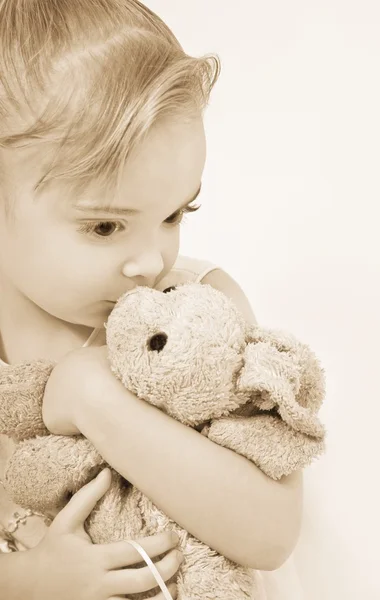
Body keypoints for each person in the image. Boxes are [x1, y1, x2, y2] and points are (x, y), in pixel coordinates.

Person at [0, 1, 303, 598]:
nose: (150, 261)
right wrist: (22, 581)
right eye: (105, 227)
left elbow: (272, 533)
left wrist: (94, 397)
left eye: (173, 214)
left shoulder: (197, 310)